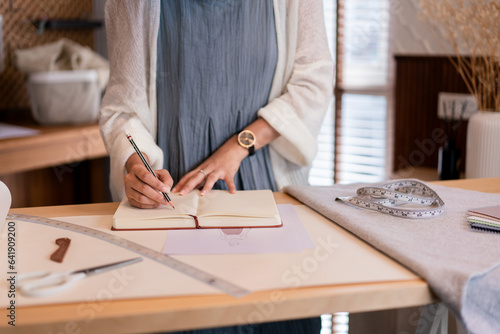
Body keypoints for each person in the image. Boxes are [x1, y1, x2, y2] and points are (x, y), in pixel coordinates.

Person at [100, 0, 333, 332]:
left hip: (269, 196)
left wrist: (240, 145)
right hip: (171, 208)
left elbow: (315, 82)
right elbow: (123, 109)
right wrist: (137, 165)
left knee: (284, 318)